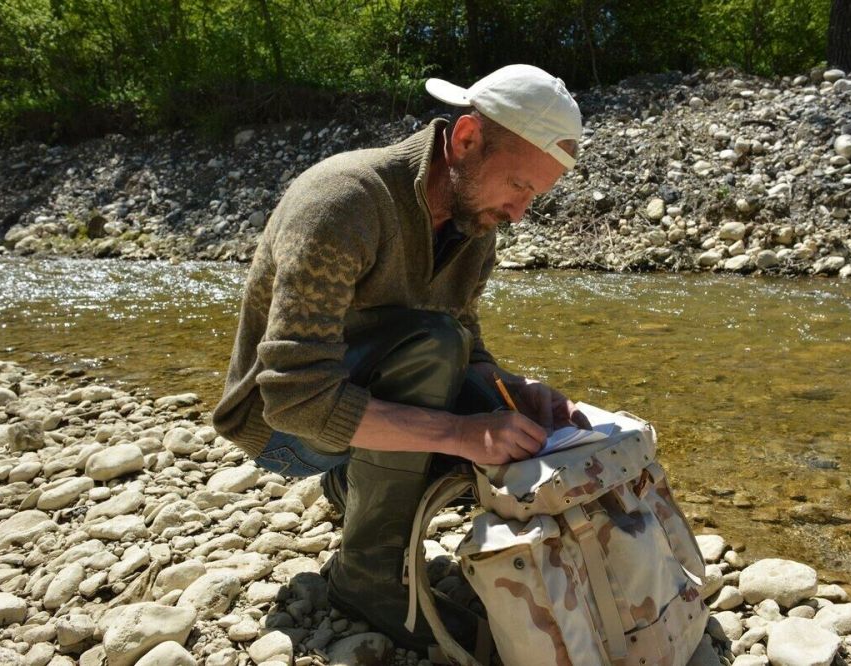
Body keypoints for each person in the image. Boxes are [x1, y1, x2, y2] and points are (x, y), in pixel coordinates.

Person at [212, 64, 588, 650]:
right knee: (442, 364)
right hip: (283, 429)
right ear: (465, 139)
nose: (520, 213)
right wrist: (461, 435)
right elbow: (293, 399)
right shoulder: (343, 201)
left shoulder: (474, 223)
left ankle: (354, 491)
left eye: (533, 197)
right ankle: (363, 580)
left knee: (506, 413)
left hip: (365, 398)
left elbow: (464, 331)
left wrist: (513, 388)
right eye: (519, 186)